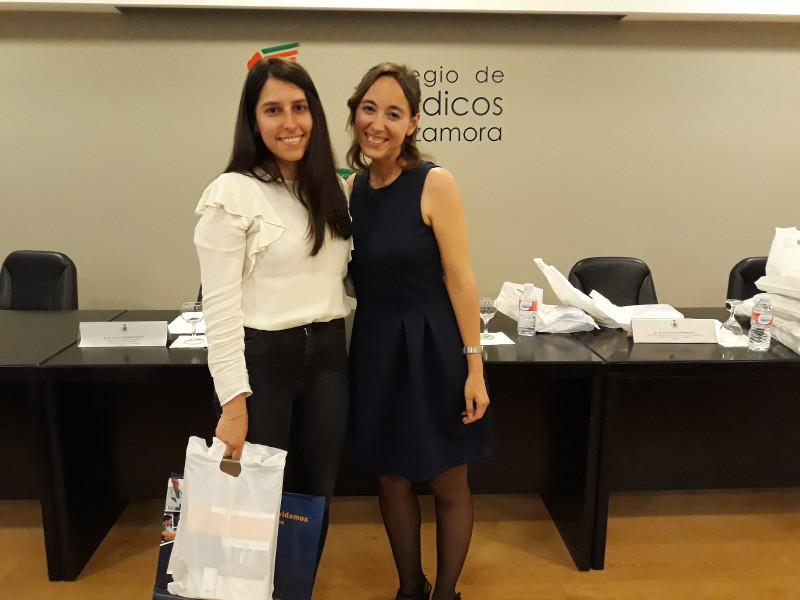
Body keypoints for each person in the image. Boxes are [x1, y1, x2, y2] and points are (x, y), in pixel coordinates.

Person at [193, 57, 352, 570]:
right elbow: (219, 308)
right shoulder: (233, 192)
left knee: (314, 496)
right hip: (263, 361)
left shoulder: (331, 190)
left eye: (299, 108)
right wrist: (233, 404)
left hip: (328, 355)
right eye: (273, 110)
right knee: (253, 500)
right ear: (253, 120)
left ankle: (295, 585)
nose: (290, 122)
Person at [345, 62, 492, 600]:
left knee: (448, 478)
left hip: (433, 348)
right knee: (390, 478)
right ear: (355, 115)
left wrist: (474, 367)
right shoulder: (353, 190)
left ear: (411, 124)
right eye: (369, 109)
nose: (377, 123)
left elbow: (461, 278)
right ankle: (410, 588)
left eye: (393, 113)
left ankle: (446, 593)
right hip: (376, 348)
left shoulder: (435, 182)